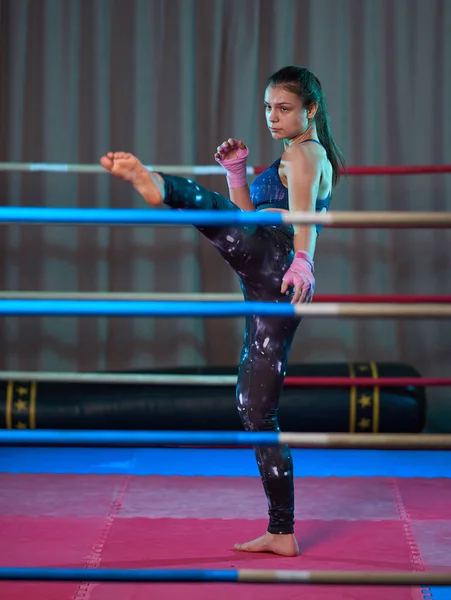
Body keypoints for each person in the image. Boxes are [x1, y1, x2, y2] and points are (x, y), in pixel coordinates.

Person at [100, 65, 345, 557]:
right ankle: (282, 531)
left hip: (279, 259)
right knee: (255, 410)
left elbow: (302, 219)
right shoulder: (288, 155)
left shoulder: (306, 153)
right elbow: (247, 218)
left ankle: (163, 188)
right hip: (264, 267)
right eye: (268, 108)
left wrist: (303, 260)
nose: (273, 118)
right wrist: (237, 175)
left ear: (311, 110)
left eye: (284, 108)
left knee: (214, 217)